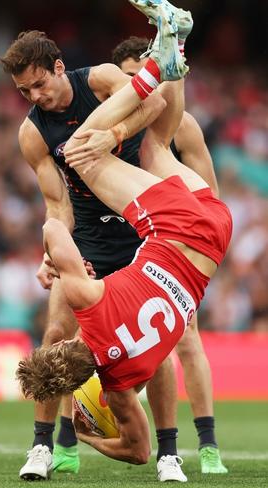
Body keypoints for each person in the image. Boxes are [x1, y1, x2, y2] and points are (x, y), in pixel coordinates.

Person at [17, 3, 232, 470]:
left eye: (39, 84)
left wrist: (93, 436)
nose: (35, 96)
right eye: (24, 90)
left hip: (205, 239)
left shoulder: (117, 384)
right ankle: (163, 59)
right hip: (175, 221)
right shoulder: (86, 300)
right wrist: (55, 249)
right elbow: (55, 221)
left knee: (126, 145)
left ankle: (168, 52)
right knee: (92, 150)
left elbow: (135, 453)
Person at [109, 34, 227, 475]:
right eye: (124, 79)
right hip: (120, 238)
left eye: (138, 75)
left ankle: (207, 445)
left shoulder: (183, 126)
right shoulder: (108, 119)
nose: (131, 86)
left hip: (171, 239)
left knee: (186, 338)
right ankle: (62, 443)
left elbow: (209, 193)